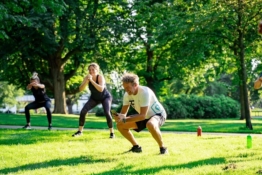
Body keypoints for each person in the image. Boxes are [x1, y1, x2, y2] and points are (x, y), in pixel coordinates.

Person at [113, 73, 168, 154]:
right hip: (144, 116)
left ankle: (163, 148)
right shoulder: (127, 95)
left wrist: (124, 119)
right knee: (120, 125)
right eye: (125, 88)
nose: (126, 90)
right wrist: (119, 117)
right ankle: (136, 147)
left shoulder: (145, 92)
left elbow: (142, 116)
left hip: (158, 114)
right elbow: (123, 114)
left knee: (151, 124)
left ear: (135, 85)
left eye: (128, 87)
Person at [72, 63, 115, 138]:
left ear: (97, 70)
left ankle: (112, 133)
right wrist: (86, 81)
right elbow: (80, 89)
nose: (91, 71)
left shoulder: (100, 77)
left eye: (93, 70)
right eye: (89, 70)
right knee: (83, 111)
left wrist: (91, 81)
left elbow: (101, 89)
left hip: (105, 97)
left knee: (107, 112)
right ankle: (80, 131)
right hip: (94, 98)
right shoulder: (87, 77)